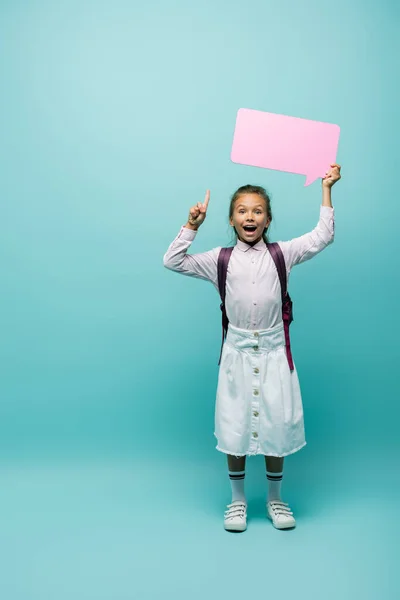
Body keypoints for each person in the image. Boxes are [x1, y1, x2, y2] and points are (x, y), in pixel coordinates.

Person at [163, 164, 341, 532]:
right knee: (235, 425)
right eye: (242, 210)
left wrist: (326, 188)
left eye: (257, 211)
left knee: (275, 423)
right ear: (231, 219)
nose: (250, 216)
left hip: (275, 354)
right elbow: (173, 260)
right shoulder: (219, 260)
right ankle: (238, 500)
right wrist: (191, 225)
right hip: (236, 356)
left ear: (268, 219)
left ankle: (276, 499)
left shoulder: (283, 254)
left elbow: (323, 235)